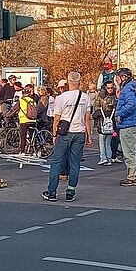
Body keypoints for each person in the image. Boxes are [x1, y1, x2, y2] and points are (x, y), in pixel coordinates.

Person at [44, 71, 92, 202]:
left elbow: (56, 119)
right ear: (79, 82)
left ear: (68, 82)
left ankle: (52, 192)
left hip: (65, 133)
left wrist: (54, 135)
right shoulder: (85, 97)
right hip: (79, 132)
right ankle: (71, 191)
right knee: (75, 163)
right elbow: (87, 118)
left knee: (57, 162)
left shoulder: (61, 97)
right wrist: (89, 135)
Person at [113, 68, 136, 185]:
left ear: (123, 77)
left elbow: (131, 104)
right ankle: (132, 175)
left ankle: (132, 177)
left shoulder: (128, 89)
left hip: (128, 124)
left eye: (118, 77)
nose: (116, 79)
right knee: (130, 150)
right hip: (131, 123)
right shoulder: (132, 87)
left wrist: (120, 114)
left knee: (128, 152)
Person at [18, 85, 40, 153]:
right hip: (33, 120)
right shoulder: (32, 100)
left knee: (23, 136)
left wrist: (7, 115)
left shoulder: (21, 100)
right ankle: (34, 151)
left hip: (24, 120)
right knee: (32, 135)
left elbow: (14, 109)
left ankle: (22, 151)